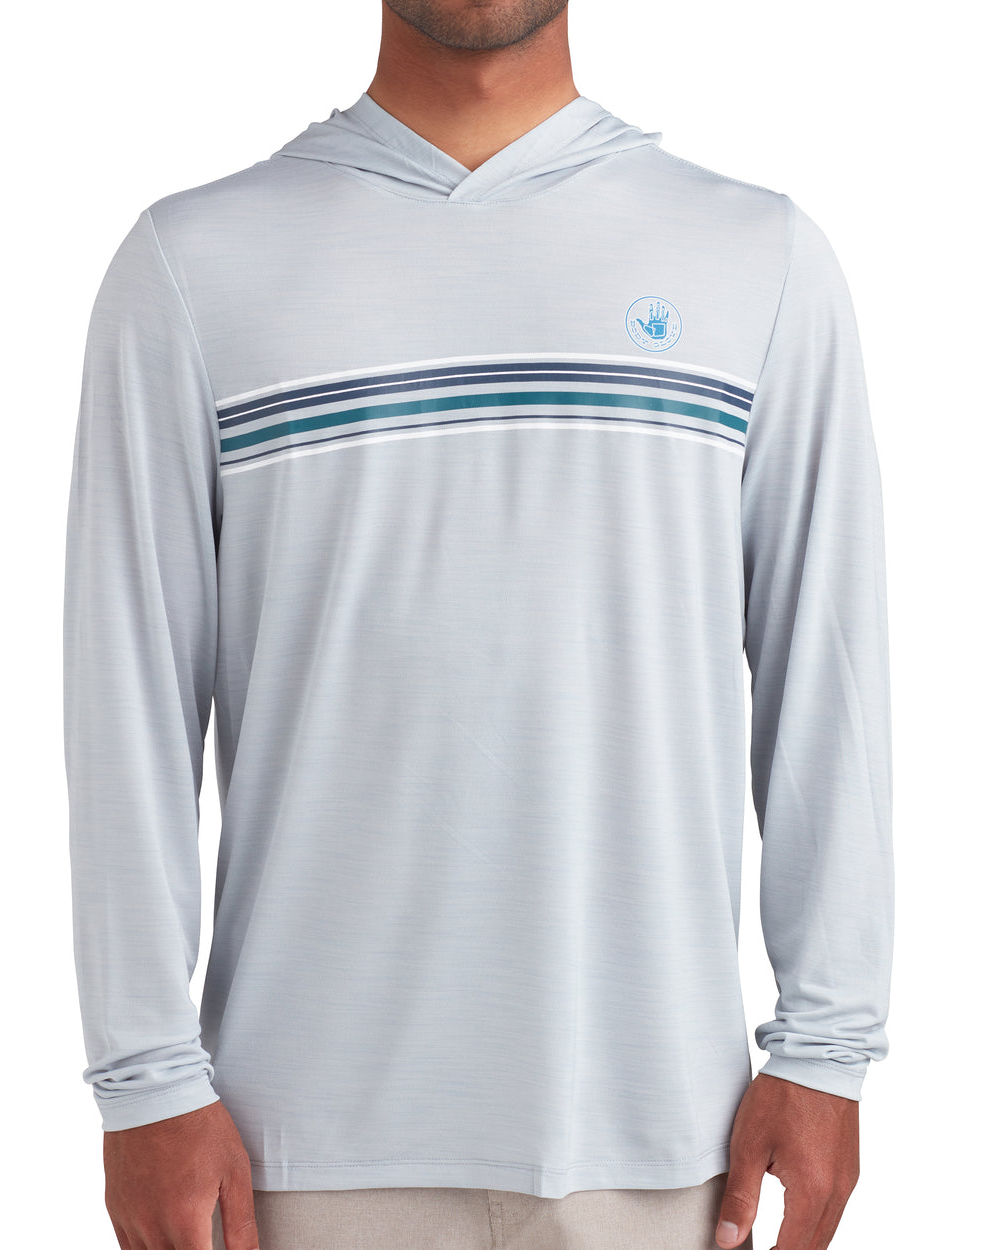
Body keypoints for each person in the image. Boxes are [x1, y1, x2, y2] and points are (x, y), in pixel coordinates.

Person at [62, 1, 894, 1248]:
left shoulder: (757, 258)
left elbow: (826, 672)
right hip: (297, 1153)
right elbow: (125, 697)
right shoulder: (194, 267)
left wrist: (826, 1046)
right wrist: (144, 1079)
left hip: (664, 1142)